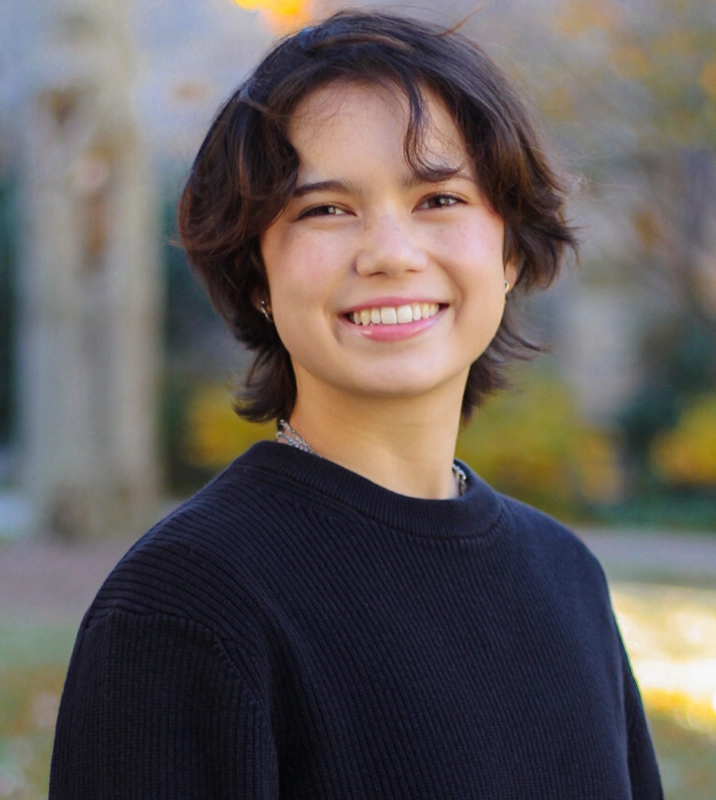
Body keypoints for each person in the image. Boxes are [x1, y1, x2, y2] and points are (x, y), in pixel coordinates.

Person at [50, 10, 663, 799]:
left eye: (439, 199)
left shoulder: (567, 579)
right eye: (326, 210)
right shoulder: (185, 609)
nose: (390, 253)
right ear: (257, 277)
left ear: (509, 250)